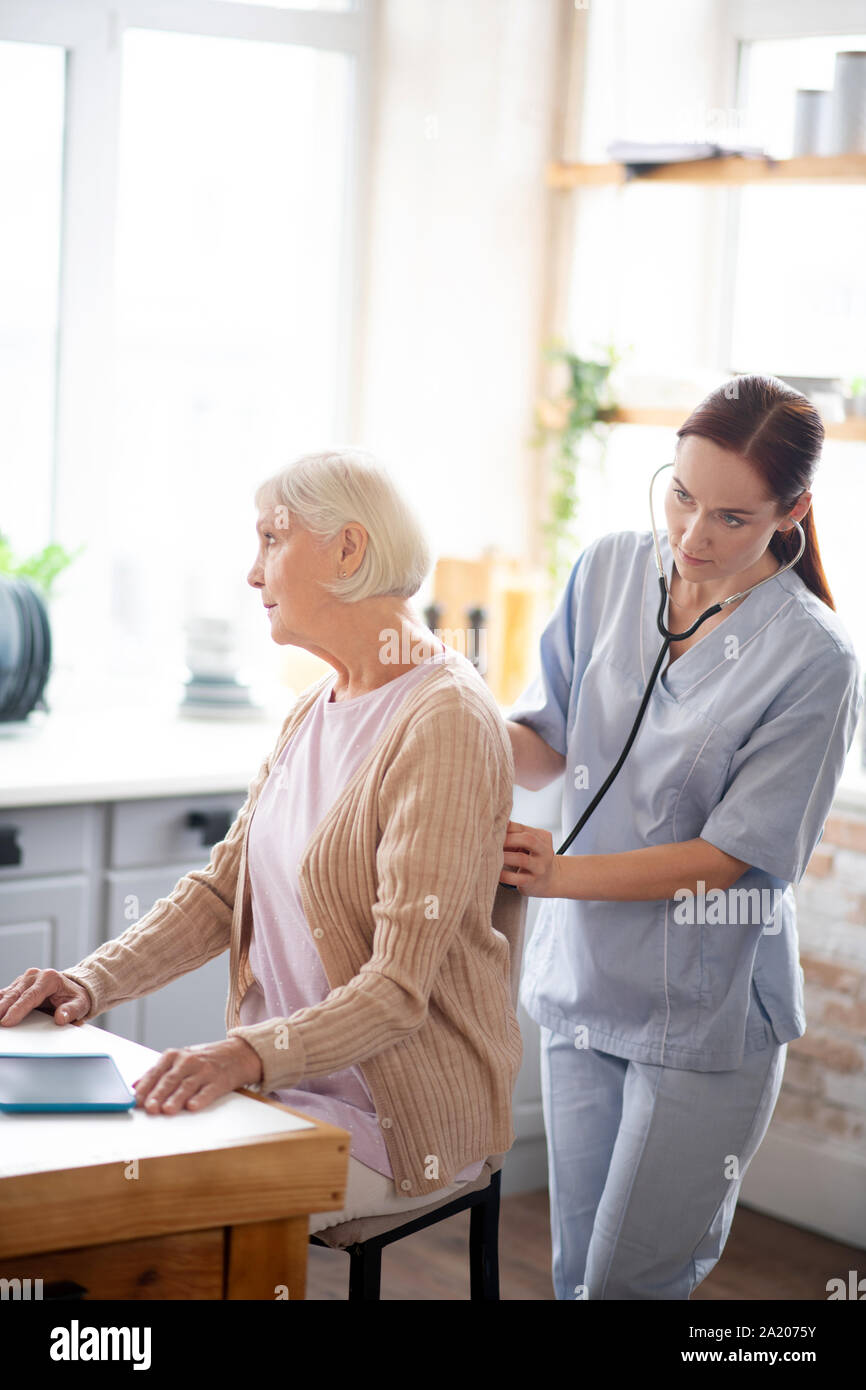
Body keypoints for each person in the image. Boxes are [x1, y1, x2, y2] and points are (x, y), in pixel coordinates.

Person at [0, 448, 522, 1234]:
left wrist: (243, 1055)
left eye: (271, 540)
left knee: (148, 1211)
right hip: (285, 1085)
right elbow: (220, 893)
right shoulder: (320, 703)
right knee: (76, 1182)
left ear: (349, 550)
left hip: (397, 1114)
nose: (253, 574)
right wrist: (87, 983)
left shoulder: (445, 719)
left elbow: (397, 991)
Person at [500, 374, 863, 1301]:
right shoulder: (609, 570)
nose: (693, 536)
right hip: (586, 982)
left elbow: (729, 858)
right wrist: (438, 711)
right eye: (681, 496)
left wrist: (558, 876)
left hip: (705, 1009)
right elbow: (542, 744)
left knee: (634, 1282)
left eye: (733, 519)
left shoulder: (815, 659)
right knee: (578, 1273)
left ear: (794, 513)